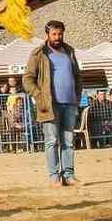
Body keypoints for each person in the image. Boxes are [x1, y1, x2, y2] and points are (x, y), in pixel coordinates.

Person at [24, 20, 84, 186]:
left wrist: (77, 96)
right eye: (54, 34)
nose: (57, 37)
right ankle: (54, 177)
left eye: (60, 34)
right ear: (47, 35)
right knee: (52, 141)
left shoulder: (69, 51)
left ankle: (69, 176)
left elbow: (78, 76)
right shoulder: (39, 54)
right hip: (49, 105)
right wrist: (38, 95)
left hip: (70, 103)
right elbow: (27, 79)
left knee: (68, 141)